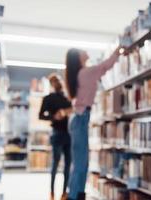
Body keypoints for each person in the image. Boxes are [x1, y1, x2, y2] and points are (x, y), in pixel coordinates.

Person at [64, 46, 122, 200]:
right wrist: (117, 53)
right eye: (82, 51)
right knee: (81, 165)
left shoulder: (80, 73)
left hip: (79, 118)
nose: (86, 51)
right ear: (78, 57)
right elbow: (104, 67)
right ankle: (75, 196)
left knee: (79, 164)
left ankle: (76, 194)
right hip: (81, 118)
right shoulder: (85, 73)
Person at [39, 74, 72, 200]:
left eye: (57, 81)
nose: (57, 83)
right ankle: (52, 193)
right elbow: (41, 115)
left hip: (69, 134)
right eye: (55, 81)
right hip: (57, 133)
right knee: (56, 163)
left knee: (67, 164)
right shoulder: (48, 98)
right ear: (52, 84)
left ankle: (64, 193)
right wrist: (54, 117)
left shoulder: (67, 98)